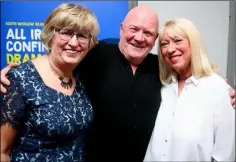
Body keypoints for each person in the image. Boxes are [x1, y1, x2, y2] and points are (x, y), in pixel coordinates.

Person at [0, 6, 235, 162]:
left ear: (154, 40)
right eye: (134, 29)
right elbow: (58, 56)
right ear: (122, 28)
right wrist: (13, 71)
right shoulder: (94, 53)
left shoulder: (162, 68)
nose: (139, 37)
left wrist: (224, 91)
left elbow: (195, 76)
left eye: (148, 33)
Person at [0, 3, 99, 162]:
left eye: (82, 36)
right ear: (50, 34)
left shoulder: (81, 77)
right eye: (66, 33)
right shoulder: (20, 79)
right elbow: (2, 151)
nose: (74, 43)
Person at [144, 18, 235, 161]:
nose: (170, 49)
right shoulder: (164, 88)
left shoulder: (219, 91)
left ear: (193, 43)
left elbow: (224, 155)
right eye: (164, 44)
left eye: (178, 40)